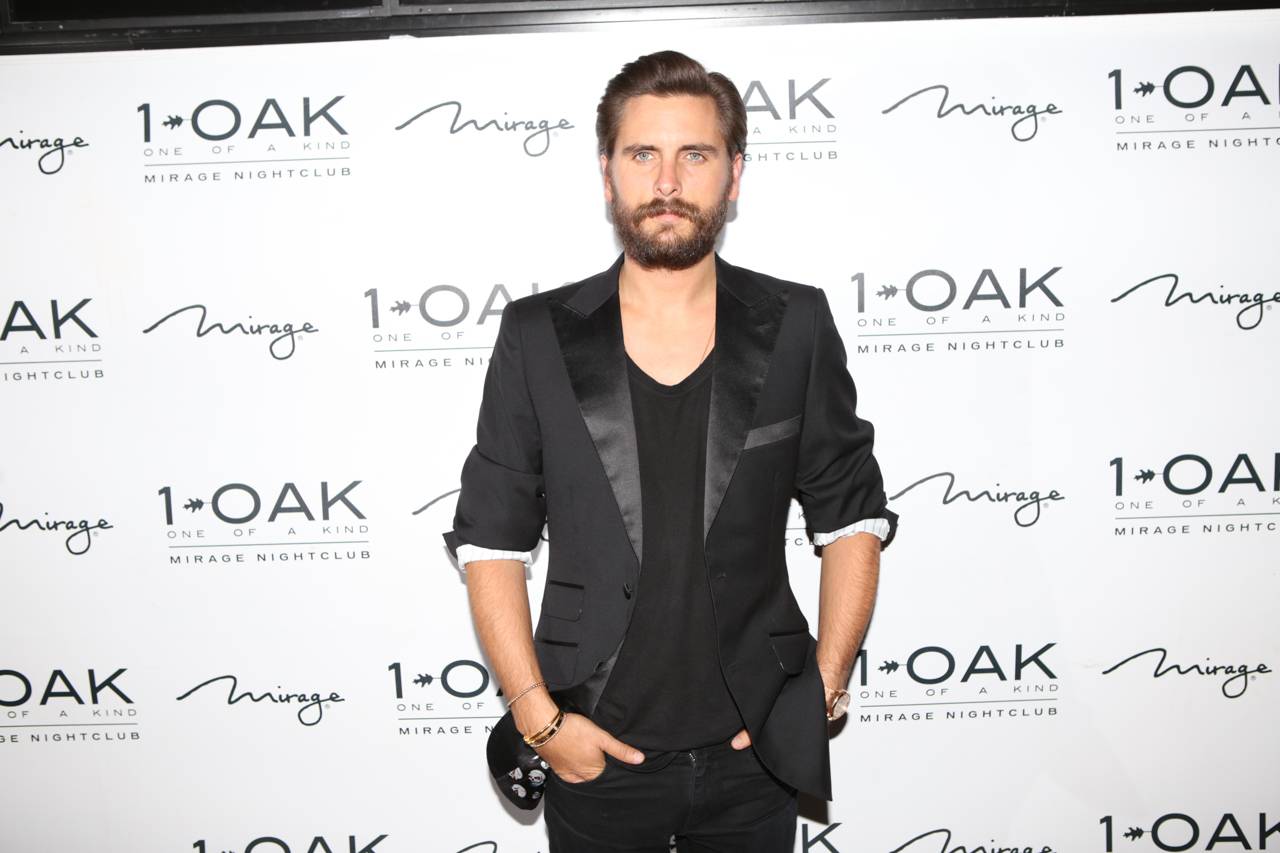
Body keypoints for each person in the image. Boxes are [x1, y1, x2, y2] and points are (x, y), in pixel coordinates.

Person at [443, 50, 898, 853]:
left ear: (734, 173)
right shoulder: (537, 335)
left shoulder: (796, 323)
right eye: (642, 154)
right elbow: (492, 543)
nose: (666, 181)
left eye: (694, 154)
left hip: (755, 752)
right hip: (592, 744)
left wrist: (820, 688)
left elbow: (852, 516)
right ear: (607, 172)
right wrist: (539, 720)